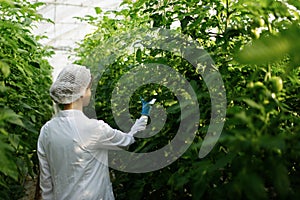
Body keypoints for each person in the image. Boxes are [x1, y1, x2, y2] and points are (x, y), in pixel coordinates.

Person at [37, 64, 152, 200]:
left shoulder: (46, 130)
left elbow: (46, 182)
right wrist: (144, 117)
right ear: (81, 93)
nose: (90, 93)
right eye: (89, 88)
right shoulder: (94, 129)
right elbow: (126, 141)